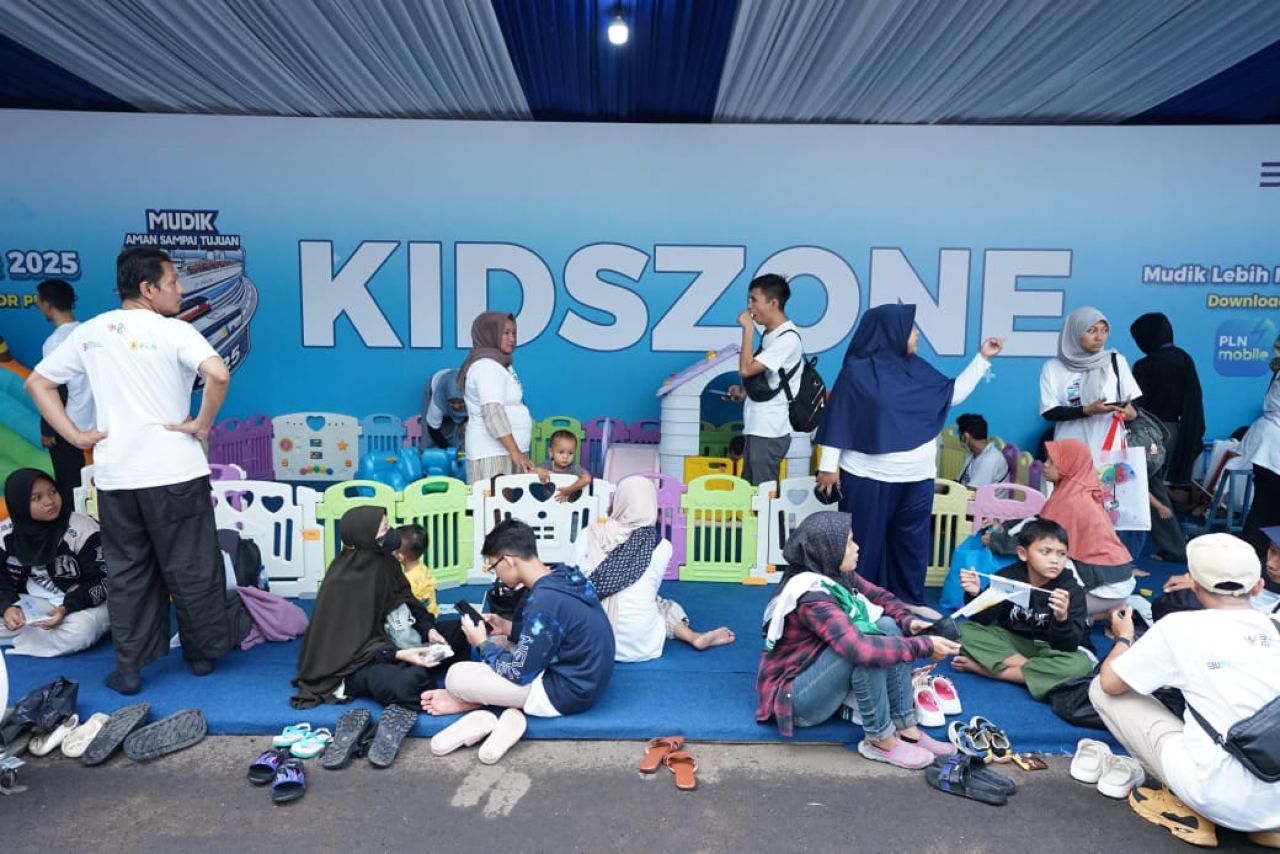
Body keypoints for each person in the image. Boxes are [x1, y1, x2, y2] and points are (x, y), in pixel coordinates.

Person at [26, 246, 232, 695]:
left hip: (118, 477)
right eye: (173, 281)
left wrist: (75, 435)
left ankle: (131, 668)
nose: (181, 289)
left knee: (129, 571)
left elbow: (38, 383)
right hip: (176, 472)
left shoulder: (91, 332)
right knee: (192, 565)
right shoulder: (175, 331)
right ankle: (200, 655)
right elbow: (217, 374)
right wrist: (202, 423)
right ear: (147, 288)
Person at [1090, 534, 1280, 849]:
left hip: (1216, 795)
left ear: (1193, 585)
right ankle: (1266, 825)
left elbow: (1111, 682)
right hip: (1275, 798)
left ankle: (1189, 808)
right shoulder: (1274, 626)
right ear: (1258, 587)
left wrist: (1124, 638)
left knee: (1101, 689)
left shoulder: (1178, 628)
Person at [815, 304, 1002, 604]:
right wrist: (828, 467)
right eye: (911, 328)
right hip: (867, 476)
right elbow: (839, 417)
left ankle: (907, 606)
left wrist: (982, 358)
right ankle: (860, 605)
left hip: (918, 479)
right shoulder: (857, 372)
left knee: (911, 547)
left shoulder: (918, 369)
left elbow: (951, 395)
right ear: (890, 332)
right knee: (864, 547)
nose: (916, 334)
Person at [756, 511, 961, 769]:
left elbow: (881, 597)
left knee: (888, 626)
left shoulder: (833, 573)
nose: (857, 547)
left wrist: (908, 621)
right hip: (797, 699)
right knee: (865, 648)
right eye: (849, 542)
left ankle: (906, 728)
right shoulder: (812, 596)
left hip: (818, 673)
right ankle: (880, 740)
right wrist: (925, 646)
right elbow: (859, 649)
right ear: (828, 551)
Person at [420, 519, 615, 719]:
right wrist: (508, 627)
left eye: (493, 567)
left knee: (456, 676)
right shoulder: (563, 574)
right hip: (588, 676)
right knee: (500, 640)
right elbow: (554, 629)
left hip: (566, 691)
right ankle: (484, 694)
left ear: (508, 560)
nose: (496, 575)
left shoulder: (543, 600)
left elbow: (519, 673)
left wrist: (481, 644)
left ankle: (473, 699)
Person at [291, 507, 465, 709]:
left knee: (461, 630)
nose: (391, 534)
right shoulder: (342, 581)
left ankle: (422, 664)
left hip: (397, 636)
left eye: (389, 527)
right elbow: (350, 645)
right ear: (365, 537)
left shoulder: (387, 563)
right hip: (360, 660)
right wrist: (397, 654)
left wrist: (429, 630)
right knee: (408, 682)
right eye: (384, 530)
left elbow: (408, 602)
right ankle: (415, 668)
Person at [575, 477, 734, 661]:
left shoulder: (589, 533)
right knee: (660, 604)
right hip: (640, 644)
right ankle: (693, 636)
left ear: (618, 500)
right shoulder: (662, 546)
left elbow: (574, 580)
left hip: (589, 638)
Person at [1040, 306, 1148, 557]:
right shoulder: (1054, 368)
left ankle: (1114, 561)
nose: (1099, 337)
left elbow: (1133, 404)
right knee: (1067, 504)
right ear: (1074, 332)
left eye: (1103, 331)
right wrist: (1086, 410)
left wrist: (1131, 413)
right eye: (1091, 331)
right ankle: (1067, 558)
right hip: (1071, 448)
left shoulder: (1116, 362)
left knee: (1111, 503)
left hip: (1108, 445)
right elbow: (1049, 411)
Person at [952, 519, 1094, 700]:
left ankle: (993, 672)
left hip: (1053, 649)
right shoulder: (1009, 578)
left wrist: (1061, 618)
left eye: (1061, 554)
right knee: (960, 630)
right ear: (1022, 553)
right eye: (1045, 552)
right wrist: (975, 594)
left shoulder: (1071, 590)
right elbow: (984, 619)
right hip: (1015, 642)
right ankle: (1036, 673)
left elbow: (1067, 646)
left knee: (1080, 666)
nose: (1055, 560)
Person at [0, 468, 109, 657]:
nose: (50, 501)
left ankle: (25, 640)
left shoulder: (83, 529)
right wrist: (7, 607)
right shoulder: (5, 534)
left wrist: (67, 608)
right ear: (19, 504)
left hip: (84, 605)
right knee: (8, 615)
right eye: (37, 498)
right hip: (36, 605)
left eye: (53, 492)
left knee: (81, 630)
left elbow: (104, 581)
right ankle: (43, 639)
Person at [1038, 440, 1137, 618]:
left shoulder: (1070, 501)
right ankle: (1107, 612)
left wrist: (999, 540)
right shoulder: (1078, 490)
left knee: (1044, 610)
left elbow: (1040, 540)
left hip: (1107, 587)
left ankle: (1106, 612)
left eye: (1052, 461)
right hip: (1114, 578)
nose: (1045, 465)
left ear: (1069, 464)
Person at [725, 274, 802, 486]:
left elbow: (746, 369)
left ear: (773, 303)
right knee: (750, 490)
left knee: (763, 493)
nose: (749, 306)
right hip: (758, 426)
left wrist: (748, 329)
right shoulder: (771, 334)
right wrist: (744, 394)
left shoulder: (787, 338)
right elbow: (770, 379)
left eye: (754, 300)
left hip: (770, 428)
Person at [34, 279, 94, 507]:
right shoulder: (90, 333)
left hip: (68, 427)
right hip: (97, 424)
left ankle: (74, 526)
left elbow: (54, 386)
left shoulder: (55, 342)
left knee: (71, 490)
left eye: (39, 302)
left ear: (47, 305)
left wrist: (48, 428)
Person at [1129, 313, 1205, 490]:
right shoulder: (1185, 359)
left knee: (1148, 483)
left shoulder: (1144, 365)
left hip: (1149, 435)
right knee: (1164, 483)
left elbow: (1136, 404)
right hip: (1176, 434)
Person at [459, 312, 535, 484]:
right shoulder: (486, 367)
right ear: (489, 333)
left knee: (505, 501)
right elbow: (493, 413)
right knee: (491, 501)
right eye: (505, 333)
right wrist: (515, 452)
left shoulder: (501, 364)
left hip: (507, 453)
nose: (512, 339)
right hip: (492, 454)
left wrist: (517, 451)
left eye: (514, 333)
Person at [1240, 343, 1280, 571]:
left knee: (1263, 507)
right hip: (1272, 448)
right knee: (1267, 509)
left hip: (1267, 446)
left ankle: (1252, 561)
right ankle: (1255, 561)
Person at [535, 429, 592, 502]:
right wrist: (538, 470)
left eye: (570, 453)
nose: (565, 457)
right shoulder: (546, 466)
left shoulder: (574, 467)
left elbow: (587, 479)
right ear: (551, 452)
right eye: (561, 452)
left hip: (569, 503)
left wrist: (568, 490)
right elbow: (528, 472)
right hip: (547, 502)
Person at [393, 524, 437, 615]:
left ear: (400, 557)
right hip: (432, 611)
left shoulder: (407, 580)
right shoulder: (421, 567)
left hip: (419, 617)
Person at [955, 413, 1008, 487]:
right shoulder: (972, 454)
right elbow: (958, 482)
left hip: (978, 494)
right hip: (967, 491)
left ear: (966, 436)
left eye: (959, 433)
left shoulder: (990, 459)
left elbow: (972, 491)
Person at [421, 367, 467, 451]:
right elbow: (433, 429)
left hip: (464, 386)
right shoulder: (438, 401)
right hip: (437, 385)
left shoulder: (474, 397)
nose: (456, 406)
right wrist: (448, 450)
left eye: (460, 402)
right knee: (430, 441)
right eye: (452, 402)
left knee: (463, 432)